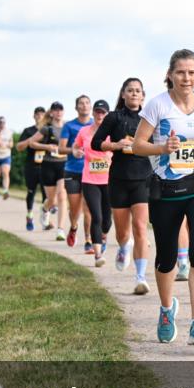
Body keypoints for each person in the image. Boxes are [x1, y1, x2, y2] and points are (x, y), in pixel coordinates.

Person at [132, 49, 194, 346]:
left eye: (191, 72)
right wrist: (162, 149)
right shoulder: (157, 106)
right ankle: (166, 309)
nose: (186, 78)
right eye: (180, 72)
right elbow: (138, 145)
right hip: (166, 190)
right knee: (166, 258)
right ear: (170, 74)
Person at [91, 78, 152, 293]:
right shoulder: (114, 117)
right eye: (130, 90)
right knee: (123, 233)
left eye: (138, 91)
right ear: (123, 94)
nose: (134, 94)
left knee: (141, 228)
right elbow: (95, 143)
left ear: (143, 96)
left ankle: (140, 277)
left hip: (143, 178)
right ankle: (124, 247)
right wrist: (115, 145)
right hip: (118, 179)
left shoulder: (150, 118)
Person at [74, 100, 113, 267]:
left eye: (103, 112)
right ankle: (97, 254)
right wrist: (77, 152)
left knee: (107, 220)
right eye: (97, 112)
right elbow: (76, 147)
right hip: (90, 180)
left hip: (109, 180)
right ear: (93, 113)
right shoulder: (84, 131)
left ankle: (103, 236)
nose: (100, 115)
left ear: (107, 114)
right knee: (96, 216)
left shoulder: (113, 133)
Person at [26, 102, 68, 239]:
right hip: (48, 165)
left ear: (63, 111)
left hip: (64, 165)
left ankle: (60, 229)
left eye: (60, 109)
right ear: (51, 113)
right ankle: (44, 209)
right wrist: (47, 147)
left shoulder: (68, 127)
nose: (58, 112)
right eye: (55, 110)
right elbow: (32, 143)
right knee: (52, 200)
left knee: (62, 195)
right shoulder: (47, 129)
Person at [59, 95, 94, 251]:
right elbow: (61, 148)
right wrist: (74, 151)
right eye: (81, 103)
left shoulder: (96, 125)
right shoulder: (69, 126)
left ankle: (88, 240)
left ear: (90, 106)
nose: (84, 105)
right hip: (72, 170)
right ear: (76, 107)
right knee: (75, 209)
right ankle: (73, 227)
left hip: (92, 171)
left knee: (89, 207)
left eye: (87, 103)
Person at [16, 107, 48, 231]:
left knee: (47, 194)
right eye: (37, 114)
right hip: (31, 166)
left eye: (42, 114)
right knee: (31, 191)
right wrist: (31, 140)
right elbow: (19, 147)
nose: (40, 116)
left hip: (46, 166)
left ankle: (46, 218)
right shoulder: (28, 131)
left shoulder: (48, 130)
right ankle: (29, 215)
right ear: (34, 116)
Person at [0, 116, 14, 200]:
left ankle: (5, 191)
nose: (2, 124)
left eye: (3, 122)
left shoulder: (9, 132)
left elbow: (11, 144)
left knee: (5, 172)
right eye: (0, 122)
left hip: (6, 155)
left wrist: (7, 145)